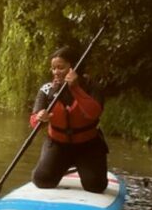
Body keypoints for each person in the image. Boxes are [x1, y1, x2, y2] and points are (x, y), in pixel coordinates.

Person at [30, 45, 109, 193]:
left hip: (88, 145)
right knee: (42, 180)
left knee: (95, 186)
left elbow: (94, 113)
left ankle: (82, 166)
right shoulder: (46, 90)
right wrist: (40, 118)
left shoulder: (93, 87)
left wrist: (75, 88)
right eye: (53, 68)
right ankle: (63, 165)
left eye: (60, 68)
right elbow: (34, 120)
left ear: (73, 67)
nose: (55, 72)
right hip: (58, 144)